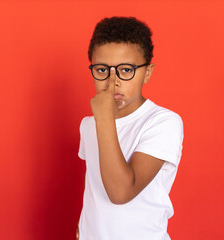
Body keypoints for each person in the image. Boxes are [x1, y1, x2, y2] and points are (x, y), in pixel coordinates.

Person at [76, 16, 184, 240]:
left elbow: (120, 192)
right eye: (102, 69)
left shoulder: (163, 122)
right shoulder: (88, 125)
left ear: (147, 72)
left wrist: (104, 118)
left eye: (126, 70)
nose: (112, 81)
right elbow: (94, 187)